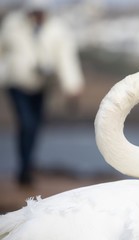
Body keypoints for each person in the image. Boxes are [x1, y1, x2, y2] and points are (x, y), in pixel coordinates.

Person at [0, 1, 84, 185]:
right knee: (27, 124)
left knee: (35, 125)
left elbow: (65, 58)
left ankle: (27, 166)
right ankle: (25, 169)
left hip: (41, 84)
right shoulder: (13, 24)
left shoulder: (58, 29)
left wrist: (72, 85)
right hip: (16, 82)